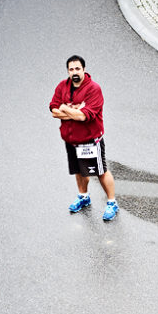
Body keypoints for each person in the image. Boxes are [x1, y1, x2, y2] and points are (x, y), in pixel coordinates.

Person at [49, 55, 119, 221]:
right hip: (71, 140)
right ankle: (83, 197)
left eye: (77, 69)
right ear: (68, 71)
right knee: (79, 171)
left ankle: (111, 202)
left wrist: (64, 108)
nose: (74, 72)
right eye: (71, 69)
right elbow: (53, 110)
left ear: (84, 70)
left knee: (101, 172)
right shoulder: (62, 86)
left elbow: (84, 117)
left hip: (90, 141)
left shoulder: (93, 89)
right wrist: (73, 111)